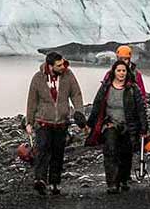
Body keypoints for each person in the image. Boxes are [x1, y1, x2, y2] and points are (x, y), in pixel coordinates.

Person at [25, 52, 86, 196]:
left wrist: (79, 112)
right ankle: (40, 180)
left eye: (63, 63)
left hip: (61, 122)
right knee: (42, 150)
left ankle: (54, 182)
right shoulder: (38, 78)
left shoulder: (68, 75)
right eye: (59, 65)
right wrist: (29, 121)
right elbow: (32, 100)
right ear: (50, 66)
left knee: (58, 153)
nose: (62, 66)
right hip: (43, 122)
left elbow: (76, 94)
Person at [85, 59, 148, 194]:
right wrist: (90, 124)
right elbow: (97, 105)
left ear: (127, 72)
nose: (121, 73)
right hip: (110, 124)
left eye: (124, 70)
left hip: (128, 125)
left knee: (126, 153)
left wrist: (143, 128)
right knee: (110, 151)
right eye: (119, 70)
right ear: (113, 72)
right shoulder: (106, 87)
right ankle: (112, 183)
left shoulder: (133, 88)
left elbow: (140, 108)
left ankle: (124, 179)